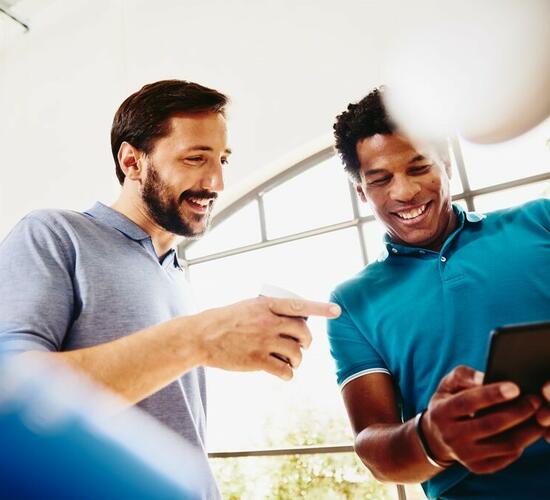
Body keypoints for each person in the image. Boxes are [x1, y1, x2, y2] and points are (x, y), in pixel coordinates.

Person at [0, 80, 341, 498]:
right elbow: (11, 395)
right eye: (195, 158)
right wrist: (199, 338)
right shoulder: (53, 235)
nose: (215, 181)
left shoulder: (176, 273)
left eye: (222, 160)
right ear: (132, 161)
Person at [327, 88, 550, 499]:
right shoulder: (351, 303)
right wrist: (432, 437)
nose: (405, 192)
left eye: (419, 167)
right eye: (380, 180)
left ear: (445, 162)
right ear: (361, 191)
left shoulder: (541, 222)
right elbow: (374, 447)